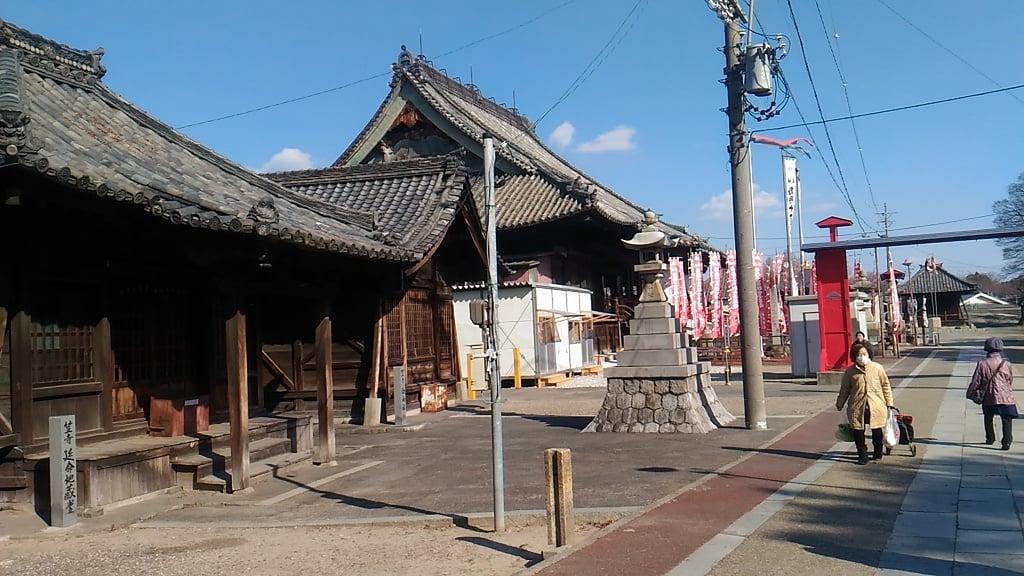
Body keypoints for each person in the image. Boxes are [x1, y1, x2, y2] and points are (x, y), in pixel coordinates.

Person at [837, 342, 894, 464]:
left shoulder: (878, 368)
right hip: (857, 406)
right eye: (859, 354)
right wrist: (840, 403)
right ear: (854, 356)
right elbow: (845, 389)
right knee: (858, 431)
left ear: (869, 354)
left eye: (864, 353)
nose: (861, 356)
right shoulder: (850, 372)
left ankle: (877, 452)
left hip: (876, 405)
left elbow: (885, 386)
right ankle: (862, 454)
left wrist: (889, 403)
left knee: (877, 430)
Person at [966, 337, 1017, 450]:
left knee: (988, 417)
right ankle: (1007, 441)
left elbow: (976, 381)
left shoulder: (982, 364)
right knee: (1006, 418)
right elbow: (1010, 379)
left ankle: (990, 437)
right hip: (1005, 395)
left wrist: (971, 392)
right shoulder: (1006, 364)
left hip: (989, 395)